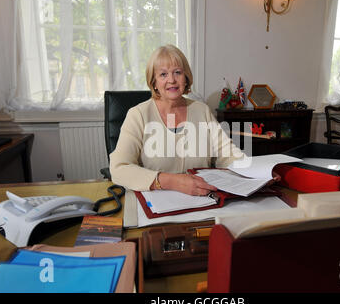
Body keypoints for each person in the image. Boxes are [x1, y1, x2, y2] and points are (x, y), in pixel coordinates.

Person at [110, 45, 274, 196]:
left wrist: (259, 173)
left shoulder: (202, 110)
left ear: (186, 77)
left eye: (178, 72)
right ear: (154, 82)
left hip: (203, 198)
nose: (172, 80)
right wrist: (172, 182)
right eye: (163, 74)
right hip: (157, 201)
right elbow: (118, 169)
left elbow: (227, 154)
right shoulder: (138, 114)